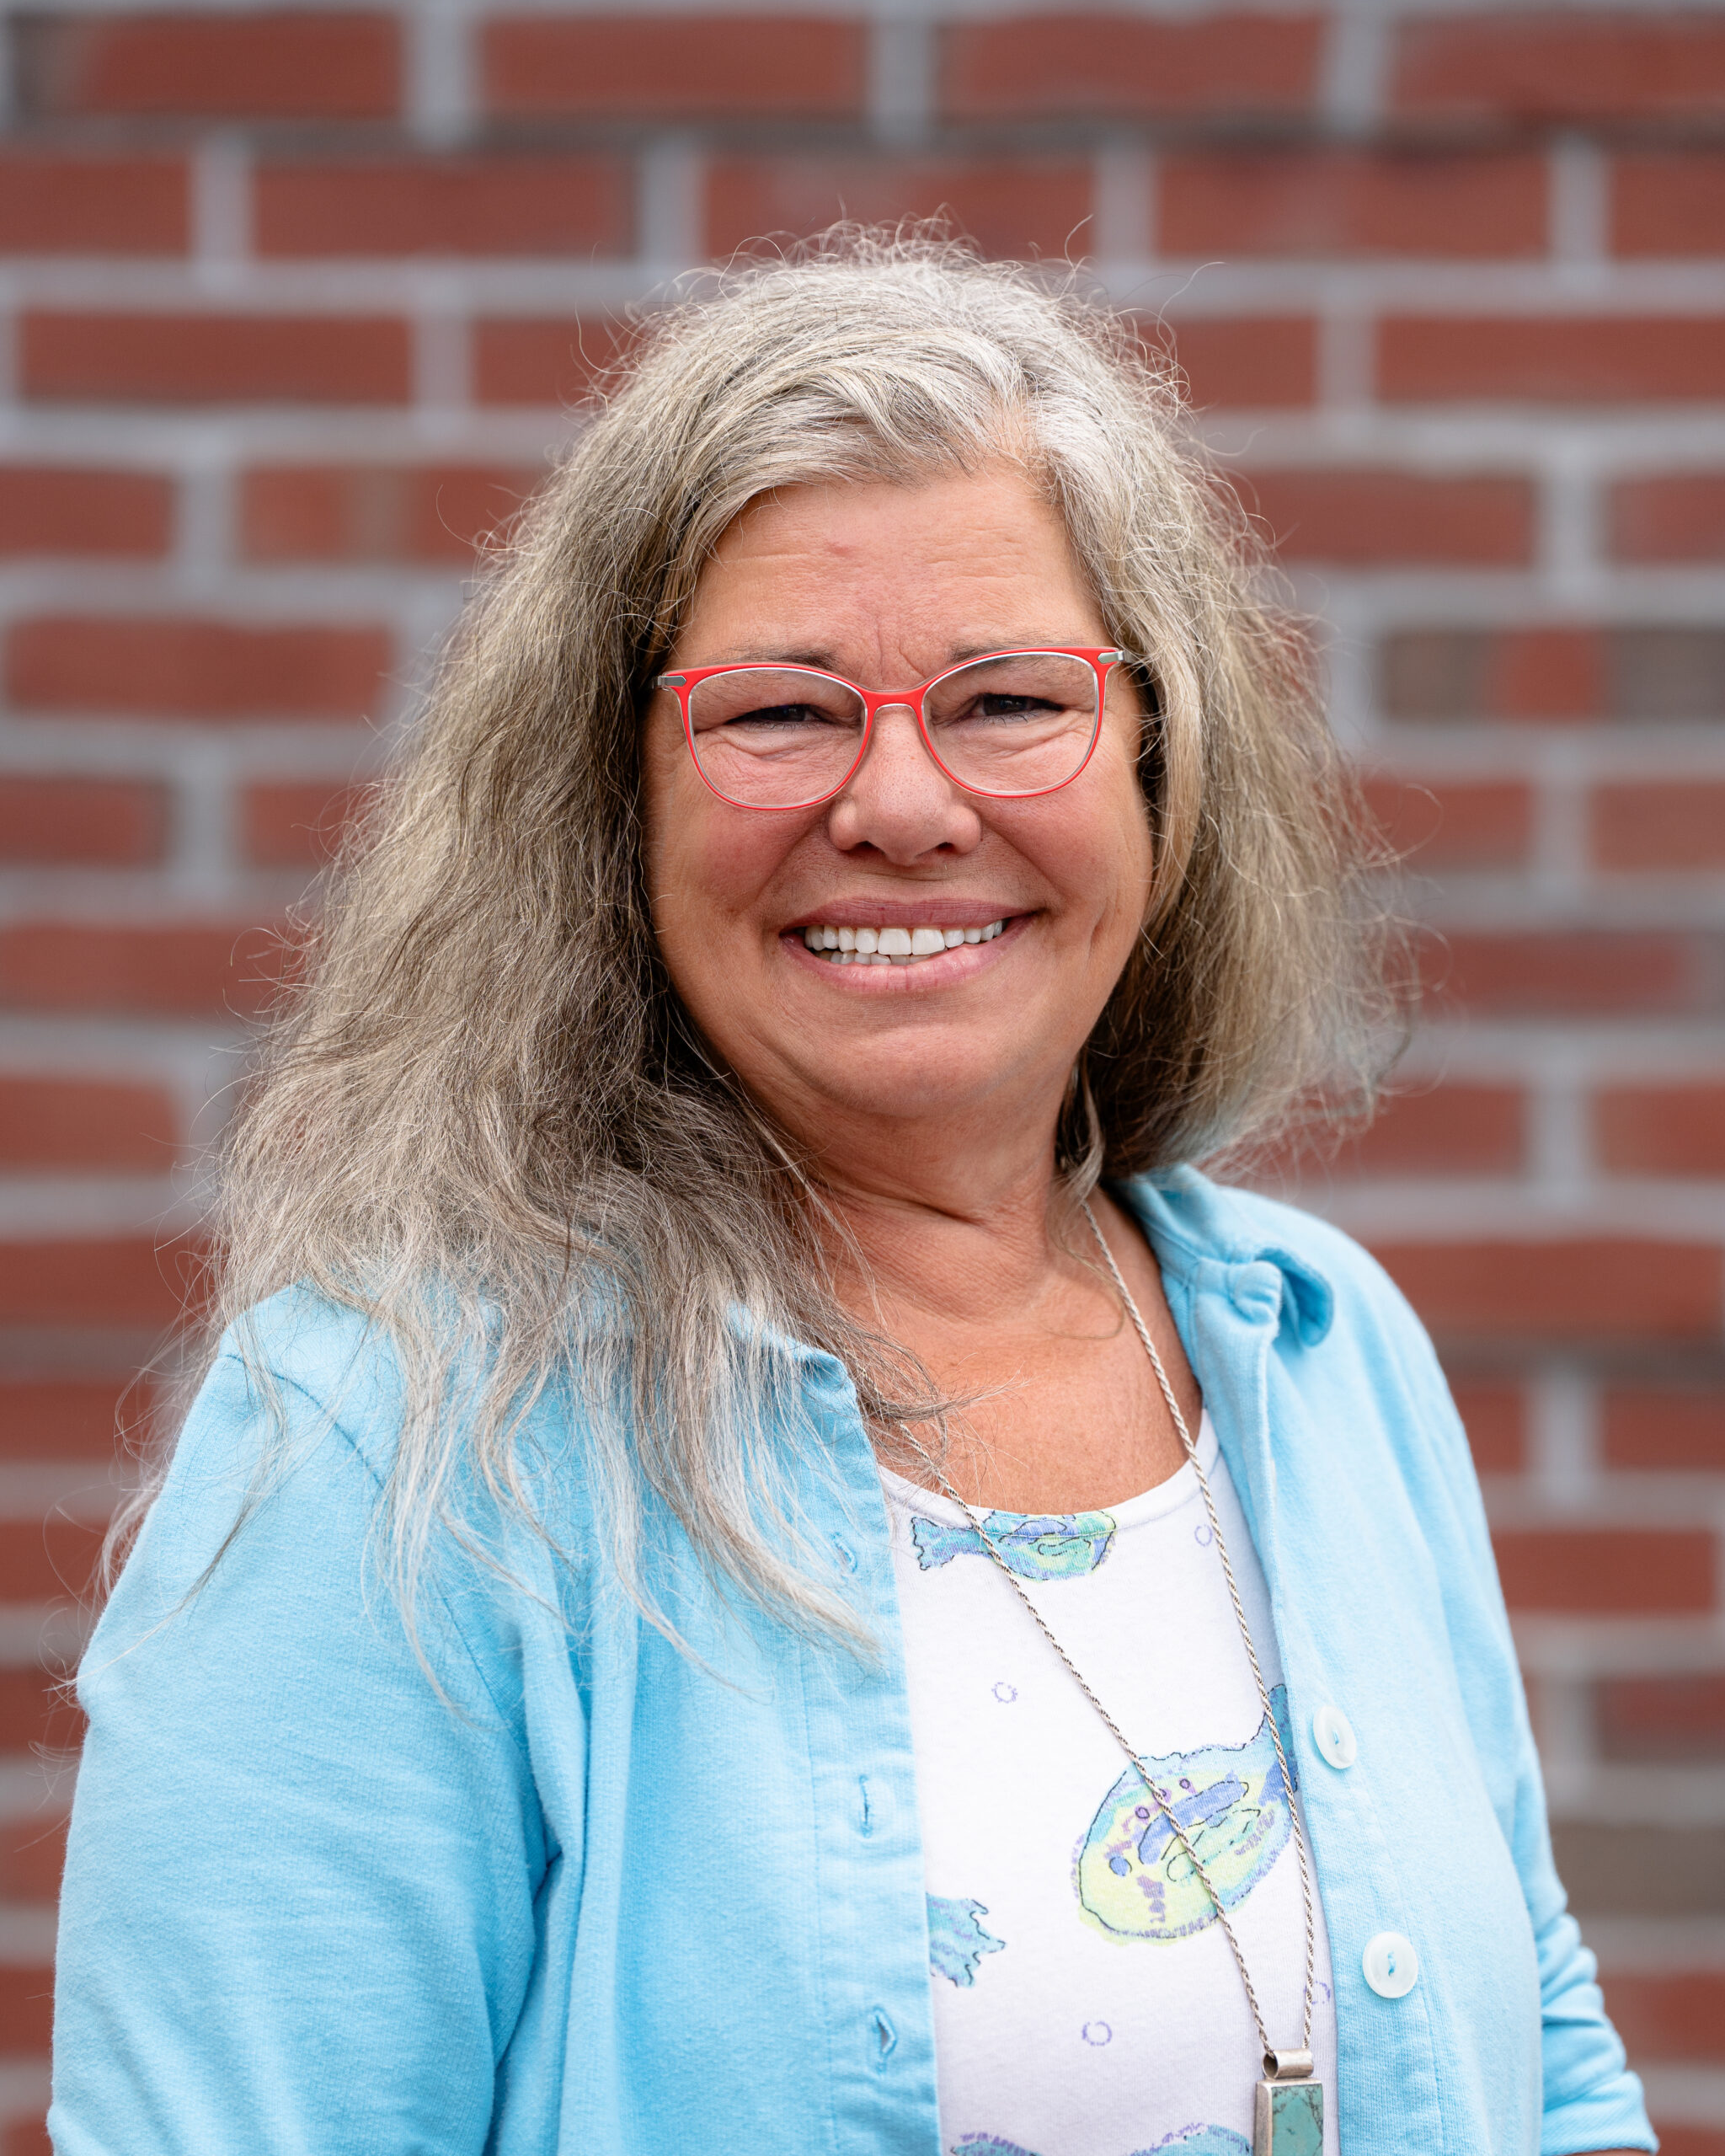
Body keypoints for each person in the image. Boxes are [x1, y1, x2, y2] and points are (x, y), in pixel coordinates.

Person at [51, 235, 1652, 2156]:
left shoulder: (1325, 1349)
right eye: (783, 710)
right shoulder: (395, 1439)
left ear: (1159, 756)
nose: (900, 802)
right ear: (614, 799)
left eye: (1004, 700)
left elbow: (1545, 2060)